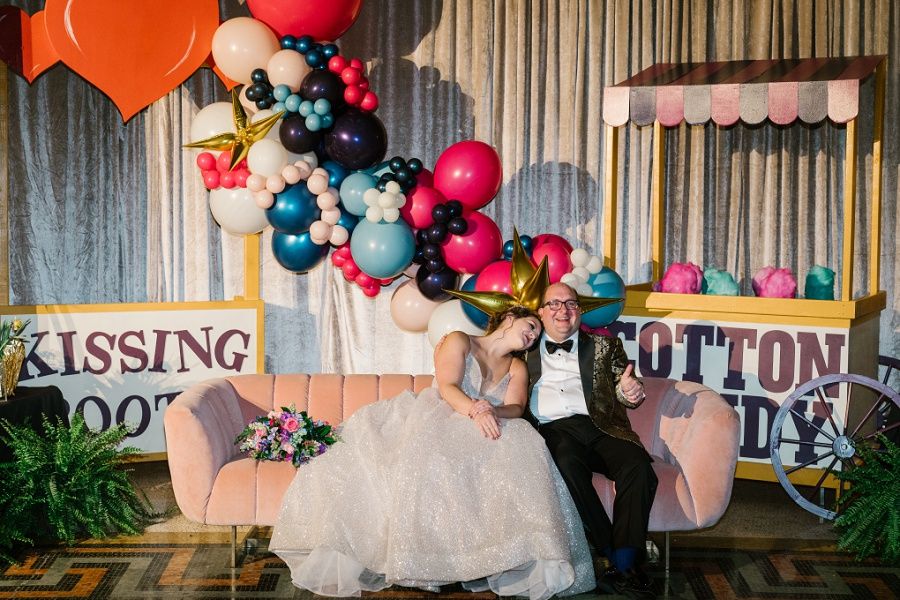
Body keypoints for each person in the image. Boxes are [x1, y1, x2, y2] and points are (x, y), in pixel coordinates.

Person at [270, 305, 596, 599]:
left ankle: (514, 555)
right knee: (432, 456)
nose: (531, 336)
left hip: (490, 423)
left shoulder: (516, 367)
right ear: (509, 317)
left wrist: (493, 414)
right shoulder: (460, 339)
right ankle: (427, 559)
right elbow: (448, 386)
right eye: (530, 326)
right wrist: (476, 410)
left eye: (535, 335)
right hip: (443, 413)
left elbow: (515, 406)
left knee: (525, 445)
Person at [526, 282, 658, 599]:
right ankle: (617, 556)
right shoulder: (523, 347)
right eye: (554, 304)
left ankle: (625, 558)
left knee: (639, 467)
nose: (563, 310)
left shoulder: (604, 347)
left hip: (601, 427)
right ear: (541, 312)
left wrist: (630, 392)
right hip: (554, 428)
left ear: (580, 311)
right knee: (567, 463)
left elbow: (624, 385)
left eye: (571, 303)